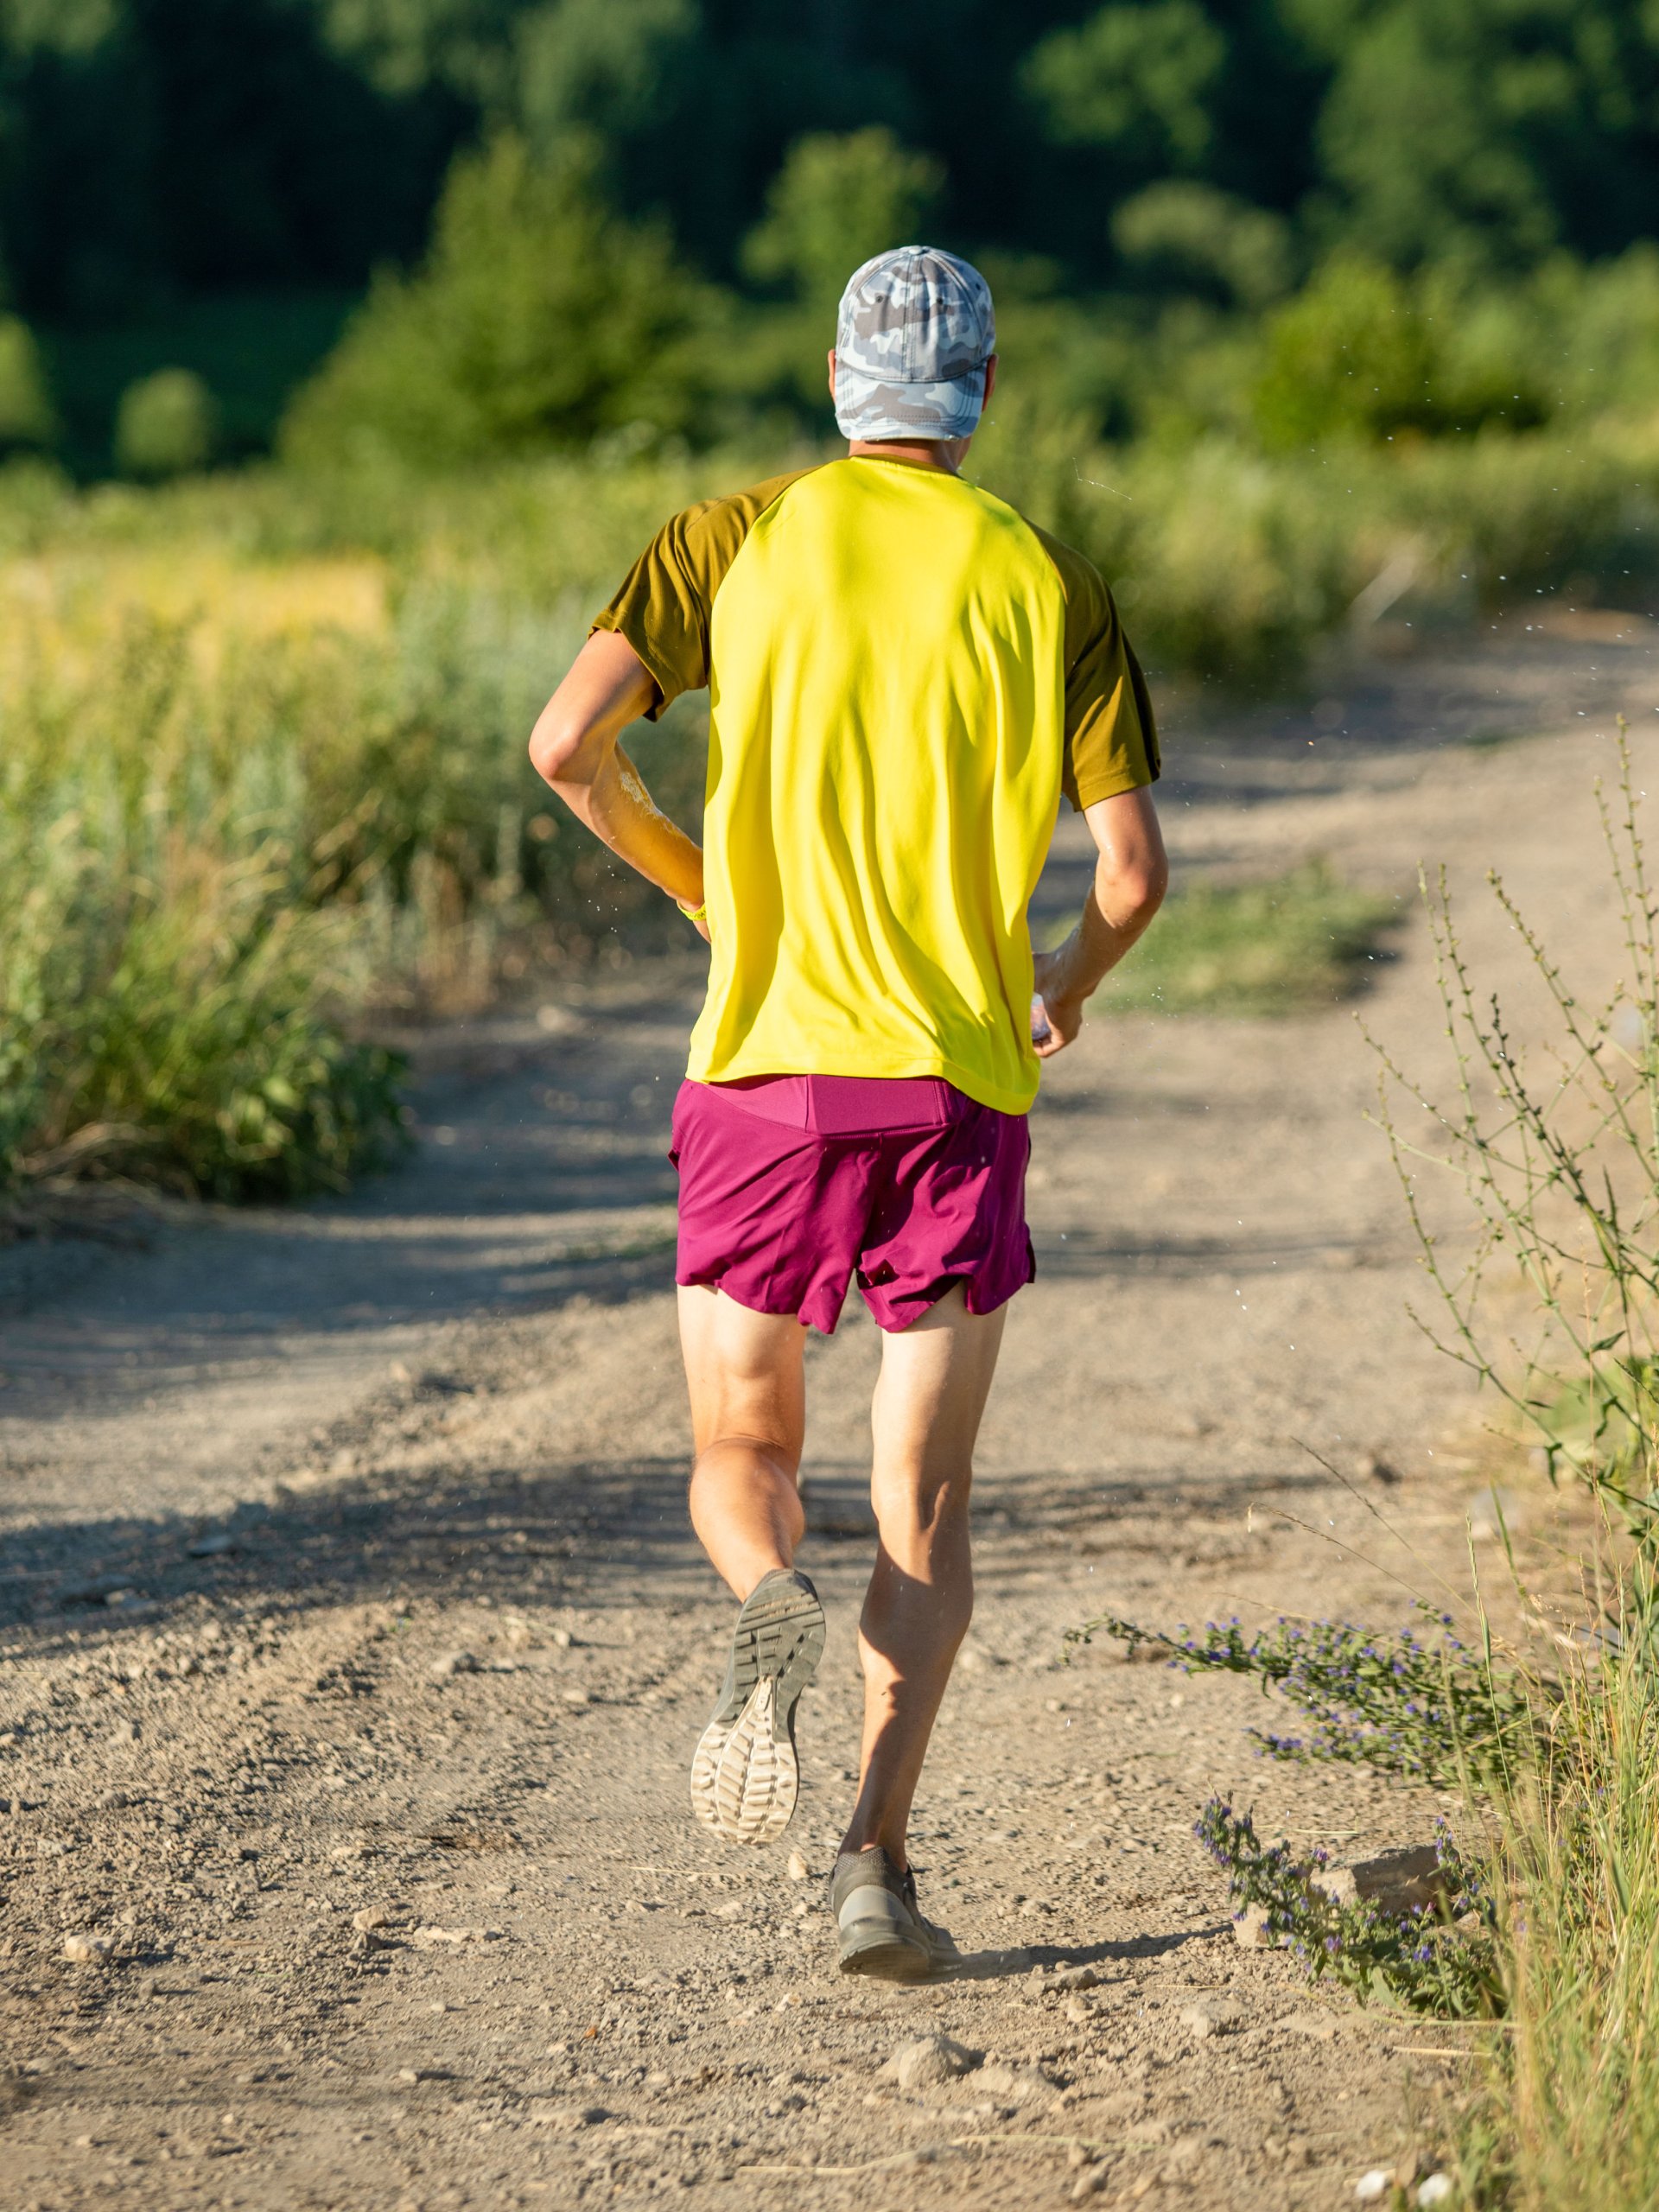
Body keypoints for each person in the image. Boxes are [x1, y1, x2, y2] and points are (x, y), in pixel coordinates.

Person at [530, 245, 1166, 1980]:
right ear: (980, 393)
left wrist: (700, 894)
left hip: (762, 1076)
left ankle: (764, 1606)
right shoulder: (1044, 575)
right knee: (927, 1507)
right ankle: (874, 1859)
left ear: (839, 377)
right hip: (955, 1087)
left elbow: (566, 745)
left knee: (745, 1450)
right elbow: (1129, 869)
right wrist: (1067, 985)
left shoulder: (730, 541)